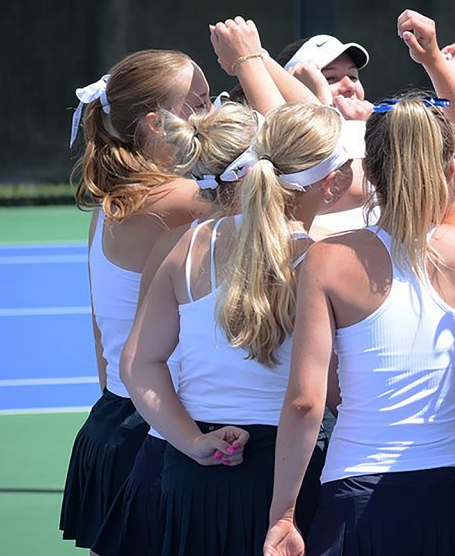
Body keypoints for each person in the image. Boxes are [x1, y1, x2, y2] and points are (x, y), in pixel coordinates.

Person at [264, 9, 455, 556]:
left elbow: (306, 401)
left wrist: (283, 513)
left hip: (358, 493)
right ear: (447, 166)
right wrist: (433, 60)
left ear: (368, 169)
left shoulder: (329, 258)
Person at [122, 100, 360, 555]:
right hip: (291, 473)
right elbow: (323, 395)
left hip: (196, 476)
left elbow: (139, 362)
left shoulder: (191, 244)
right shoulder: (324, 262)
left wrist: (192, 442)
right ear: (332, 182)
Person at [61, 49, 213, 552]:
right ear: (155, 123)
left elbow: (103, 339)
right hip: (154, 427)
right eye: (201, 103)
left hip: (115, 418)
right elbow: (280, 186)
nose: (213, 114)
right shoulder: (179, 201)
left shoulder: (110, 206)